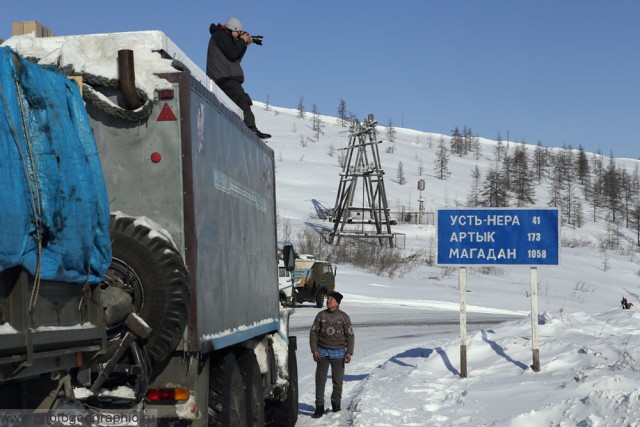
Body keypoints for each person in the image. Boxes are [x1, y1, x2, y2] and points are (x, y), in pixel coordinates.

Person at [206, 17, 271, 139]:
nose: (239, 35)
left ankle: (247, 129)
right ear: (232, 30)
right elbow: (232, 54)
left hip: (227, 78)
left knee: (239, 102)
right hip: (223, 78)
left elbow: (236, 58)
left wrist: (244, 45)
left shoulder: (225, 38)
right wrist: (241, 41)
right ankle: (252, 130)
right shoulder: (220, 35)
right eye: (239, 32)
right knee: (242, 99)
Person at [309, 291, 355, 418]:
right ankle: (319, 407)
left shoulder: (344, 317)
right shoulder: (321, 315)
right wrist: (314, 350)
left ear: (337, 303)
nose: (328, 301)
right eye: (327, 299)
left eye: (331, 299)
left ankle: (336, 405)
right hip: (322, 352)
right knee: (320, 381)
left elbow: (350, 335)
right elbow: (313, 333)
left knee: (337, 382)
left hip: (339, 353)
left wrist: (349, 352)